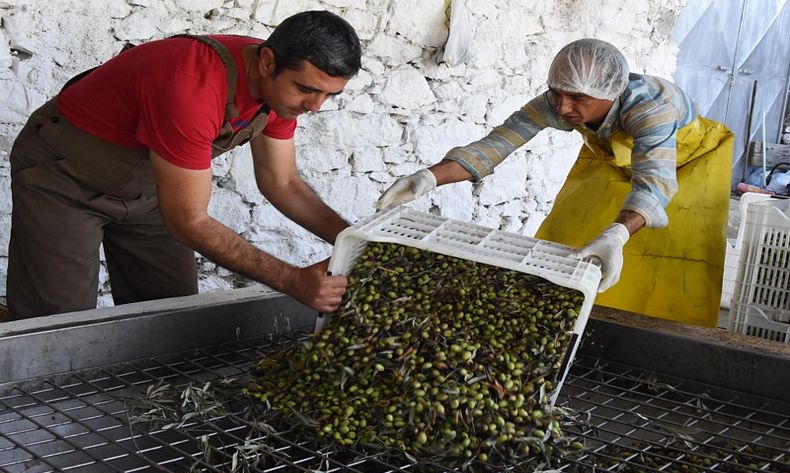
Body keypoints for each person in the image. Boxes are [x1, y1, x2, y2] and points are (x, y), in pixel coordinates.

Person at [6, 10, 361, 320]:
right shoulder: (191, 86)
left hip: (150, 191)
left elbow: (282, 184)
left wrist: (357, 244)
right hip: (63, 180)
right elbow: (188, 220)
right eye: (306, 90)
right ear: (267, 62)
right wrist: (291, 280)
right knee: (57, 326)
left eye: (329, 95)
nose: (316, 107)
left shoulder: (281, 93)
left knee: (169, 315)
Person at [375, 38, 733, 327]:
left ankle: (657, 346)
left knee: (672, 263)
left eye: (577, 98)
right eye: (558, 94)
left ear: (610, 94)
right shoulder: (558, 101)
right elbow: (497, 145)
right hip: (613, 159)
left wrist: (618, 233)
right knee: (567, 241)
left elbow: (654, 181)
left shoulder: (649, 109)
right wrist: (428, 177)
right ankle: (570, 331)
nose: (563, 108)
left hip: (686, 165)